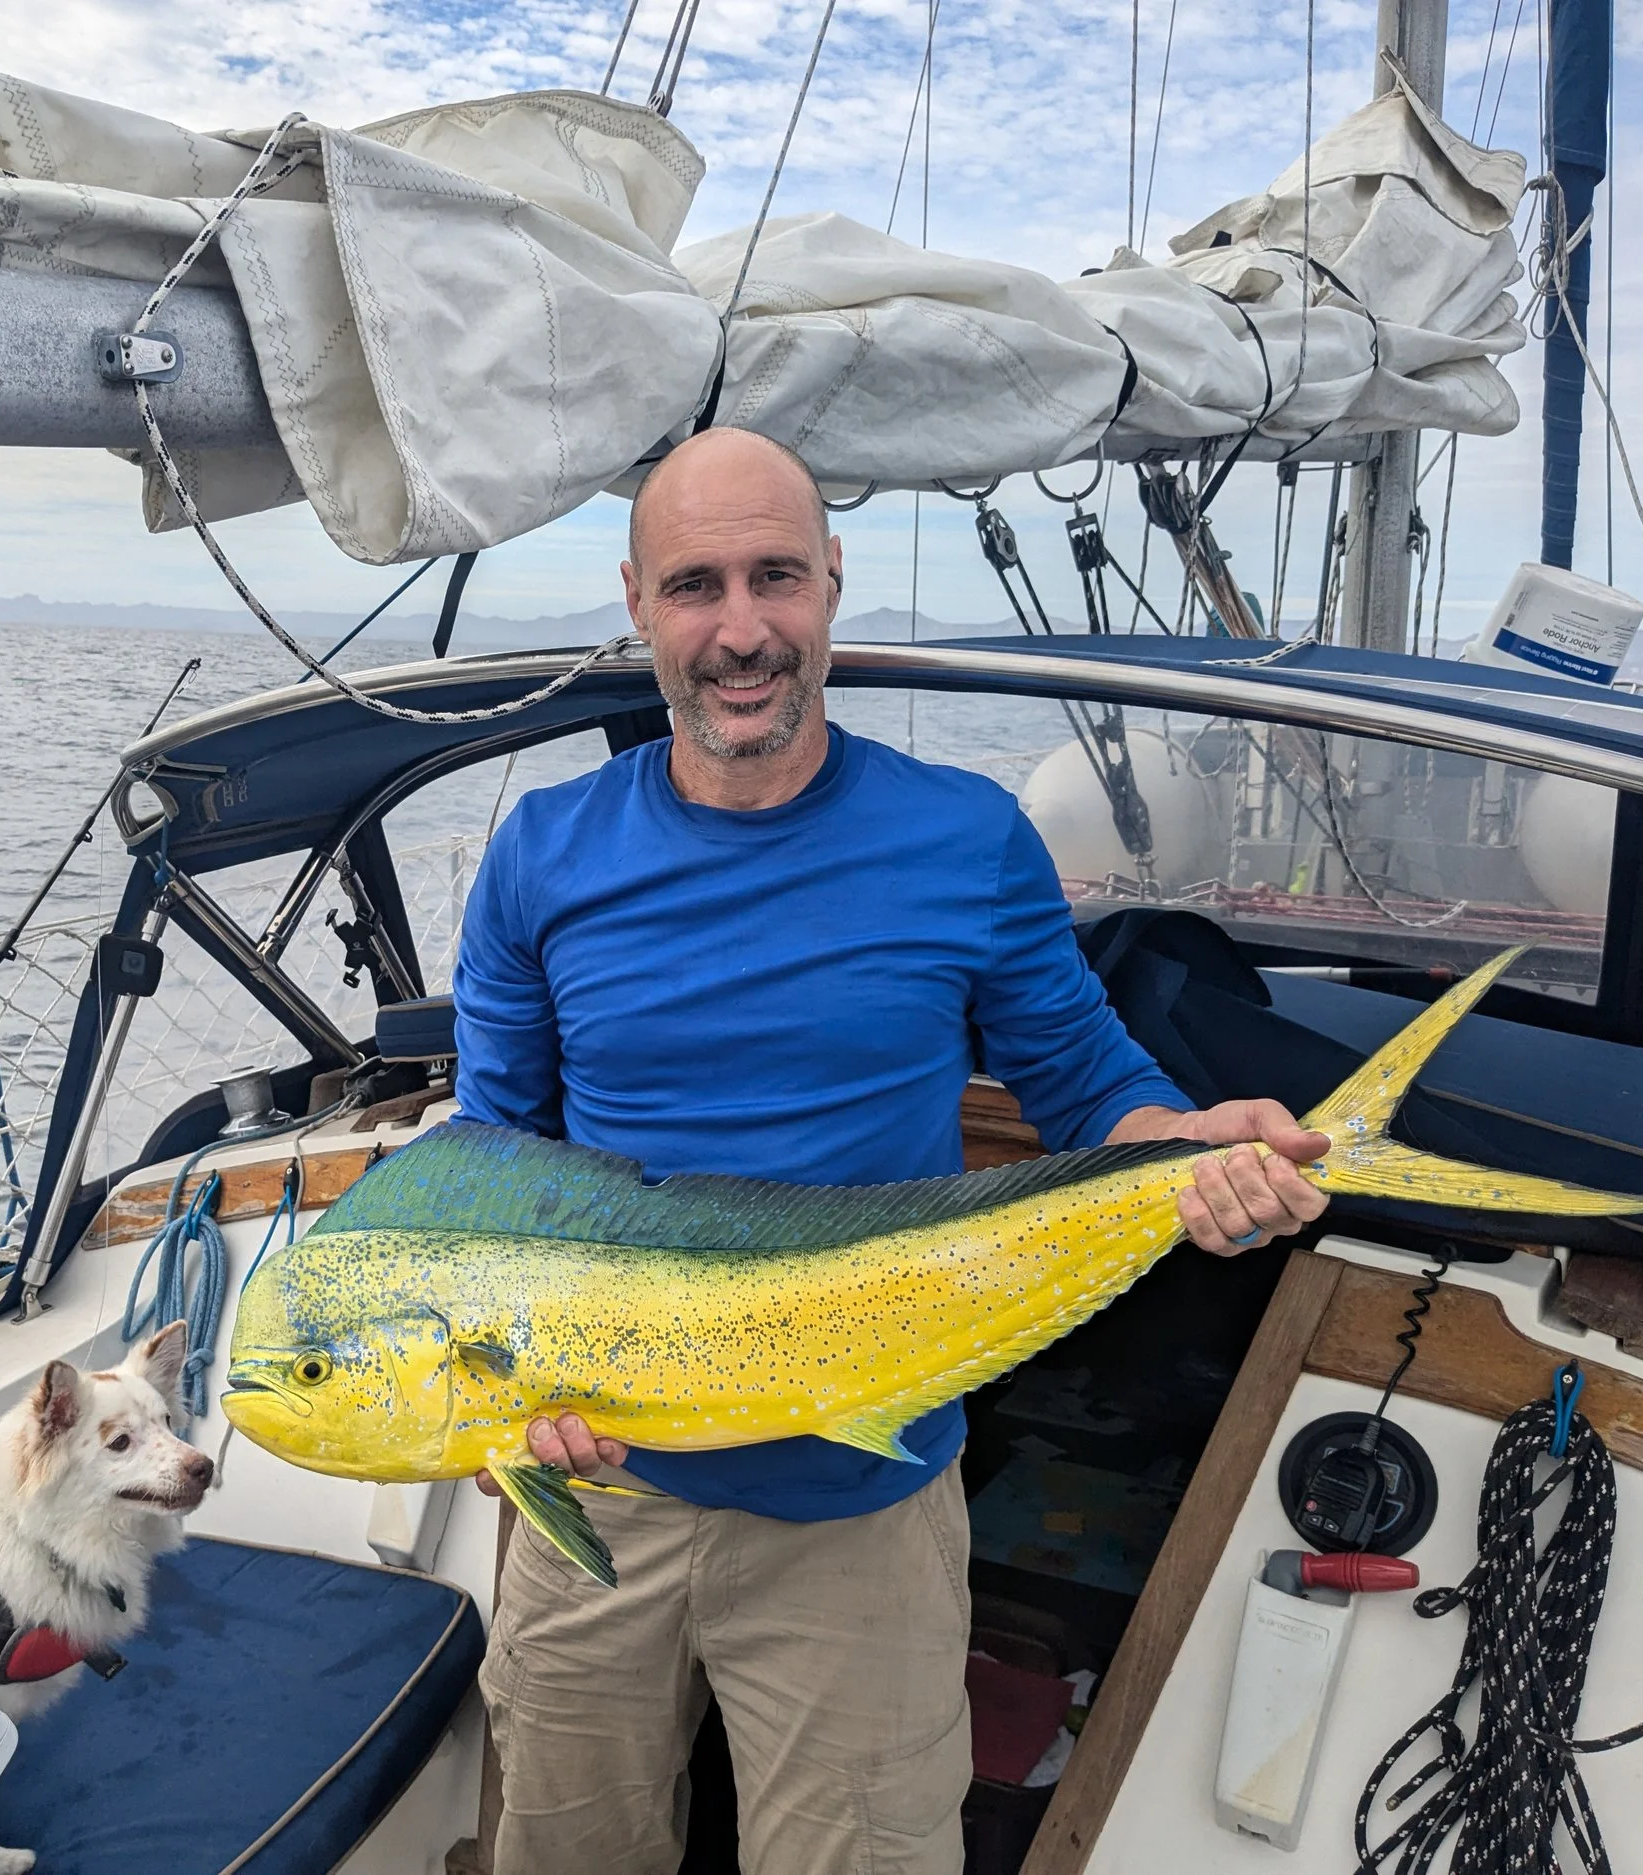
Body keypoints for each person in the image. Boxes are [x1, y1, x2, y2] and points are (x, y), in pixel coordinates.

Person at [452, 426, 1329, 1874]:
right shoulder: (542, 854)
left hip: (862, 1498)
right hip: (597, 1486)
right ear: (638, 604)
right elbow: (496, 1162)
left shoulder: (966, 841)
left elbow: (1083, 1079)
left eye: (777, 576)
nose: (742, 630)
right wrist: (496, 1412)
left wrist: (1189, 1147)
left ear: (834, 582)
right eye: (696, 586)